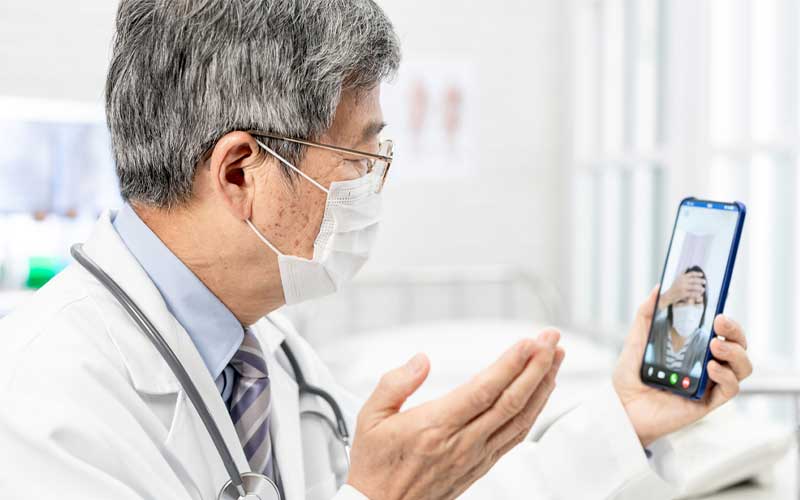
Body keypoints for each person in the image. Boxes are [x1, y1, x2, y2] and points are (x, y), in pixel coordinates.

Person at [0, 1, 753, 499]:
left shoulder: (267, 358)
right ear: (240, 173)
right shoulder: (37, 408)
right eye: (360, 157)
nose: (372, 184)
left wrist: (627, 420)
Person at [646, 266, 710, 377]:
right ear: (672, 304)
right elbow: (639, 328)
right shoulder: (658, 327)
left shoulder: (702, 340)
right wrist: (666, 297)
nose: (689, 310)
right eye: (682, 301)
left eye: (697, 303)